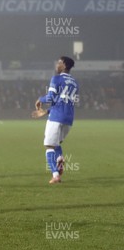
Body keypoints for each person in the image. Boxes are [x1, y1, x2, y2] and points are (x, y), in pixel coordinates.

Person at [32, 56, 78, 184]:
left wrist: (39, 100)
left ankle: (56, 175)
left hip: (57, 116)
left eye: (59, 62)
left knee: (49, 146)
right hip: (68, 119)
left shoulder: (56, 78)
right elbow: (64, 103)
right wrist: (46, 112)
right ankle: (60, 159)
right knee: (56, 143)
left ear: (64, 65)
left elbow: (51, 97)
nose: (56, 64)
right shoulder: (75, 82)